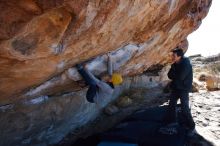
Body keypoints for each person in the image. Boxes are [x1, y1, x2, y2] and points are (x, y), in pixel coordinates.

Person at [161, 48, 196, 136]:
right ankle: (173, 122)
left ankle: (191, 126)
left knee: (184, 108)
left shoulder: (186, 64)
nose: (172, 56)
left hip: (183, 89)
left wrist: (174, 73)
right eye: (172, 55)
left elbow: (180, 77)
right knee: (171, 105)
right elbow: (169, 75)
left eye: (174, 55)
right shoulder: (175, 64)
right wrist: (173, 69)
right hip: (176, 88)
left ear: (179, 56)